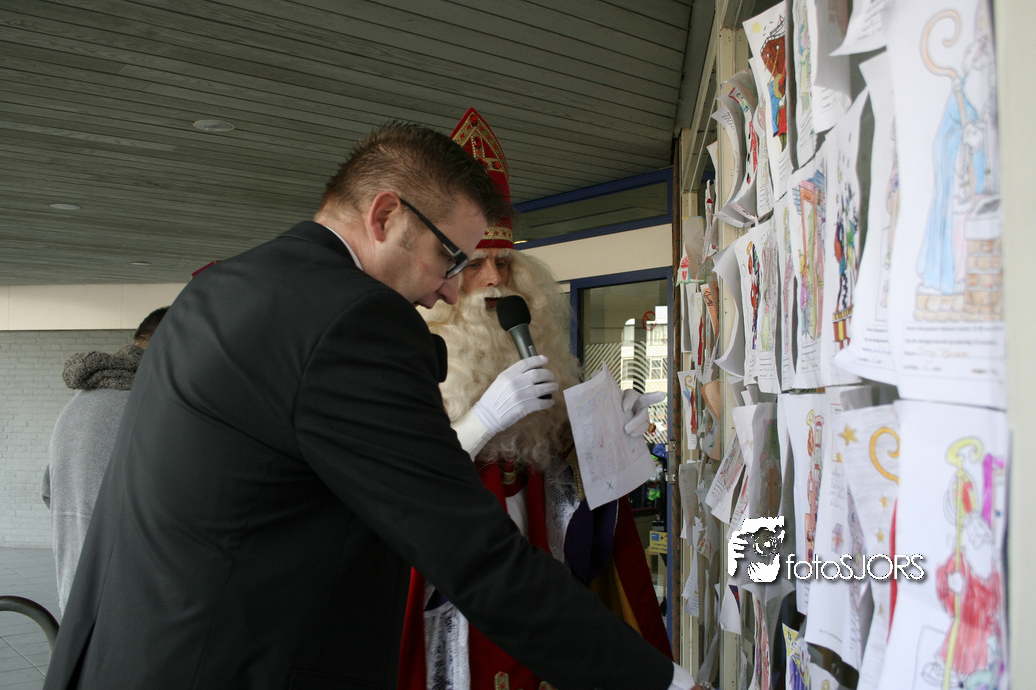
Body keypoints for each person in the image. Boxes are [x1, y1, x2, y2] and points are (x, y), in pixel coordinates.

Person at [43, 121, 695, 690]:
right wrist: (664, 681)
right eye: (452, 258)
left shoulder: (224, 290)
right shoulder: (356, 322)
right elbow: (473, 556)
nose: (450, 292)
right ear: (386, 216)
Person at [398, 109, 673, 690]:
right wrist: (480, 423)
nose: (494, 279)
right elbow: (397, 486)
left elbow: (576, 505)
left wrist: (611, 437)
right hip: (455, 605)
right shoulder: (404, 358)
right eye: (475, 265)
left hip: (539, 590)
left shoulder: (534, 347)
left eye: (504, 263)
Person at [42, 306, 168, 614]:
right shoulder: (155, 405)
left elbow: (50, 493)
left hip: (76, 597)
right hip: (135, 606)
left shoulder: (79, 403)